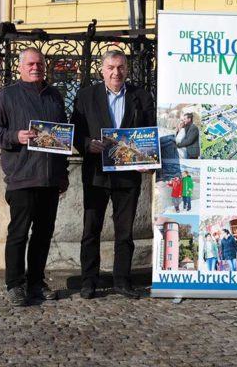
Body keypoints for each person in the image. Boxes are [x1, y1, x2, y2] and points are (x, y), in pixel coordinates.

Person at [0, 47, 69, 307]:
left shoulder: (55, 96)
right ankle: (14, 284)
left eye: (40, 64)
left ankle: (35, 282)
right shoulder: (7, 96)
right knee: (18, 234)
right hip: (22, 177)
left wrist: (62, 174)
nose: (35, 68)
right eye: (30, 64)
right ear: (20, 67)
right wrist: (14, 137)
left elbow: (63, 138)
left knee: (43, 234)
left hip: (50, 179)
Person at [71, 50, 156, 300]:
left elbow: (149, 131)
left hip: (128, 176)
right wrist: (87, 144)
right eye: (110, 67)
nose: (116, 72)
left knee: (125, 232)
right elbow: (75, 130)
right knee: (91, 230)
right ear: (102, 70)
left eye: (120, 67)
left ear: (127, 69)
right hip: (96, 173)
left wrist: (147, 159)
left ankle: (122, 280)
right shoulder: (86, 96)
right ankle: (89, 281)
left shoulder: (140, 96)